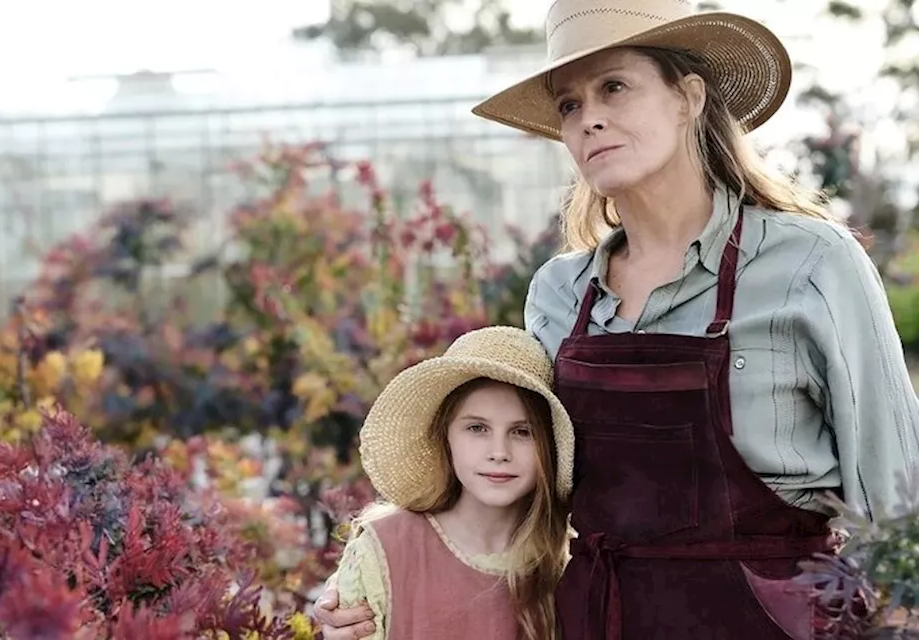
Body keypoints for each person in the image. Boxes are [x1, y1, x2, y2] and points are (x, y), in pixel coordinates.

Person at [313, 0, 919, 638]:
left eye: (614, 87)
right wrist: (374, 582)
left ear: (688, 98)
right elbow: (515, 490)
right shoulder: (559, 293)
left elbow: (898, 492)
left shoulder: (811, 262)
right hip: (600, 619)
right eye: (570, 104)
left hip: (778, 622)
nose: (590, 119)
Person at [330, 326, 573, 640]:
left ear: (549, 446)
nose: (499, 453)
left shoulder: (564, 564)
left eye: (522, 432)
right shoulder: (384, 549)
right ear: (445, 437)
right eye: (477, 428)